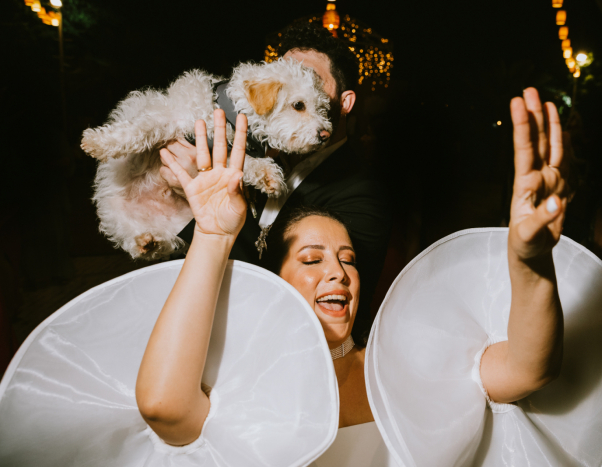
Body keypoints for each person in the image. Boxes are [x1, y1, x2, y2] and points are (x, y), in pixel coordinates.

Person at [137, 86, 568, 445]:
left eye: (349, 260)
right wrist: (213, 238)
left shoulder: (396, 363)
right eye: (311, 258)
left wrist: (531, 264)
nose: (339, 273)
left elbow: (529, 370)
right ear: (276, 282)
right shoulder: (241, 379)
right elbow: (164, 408)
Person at [160, 24, 392, 343]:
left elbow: (288, 296)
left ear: (345, 102)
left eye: (310, 80)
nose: (291, 90)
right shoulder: (251, 155)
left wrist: (220, 216)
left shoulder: (364, 194)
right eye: (283, 78)